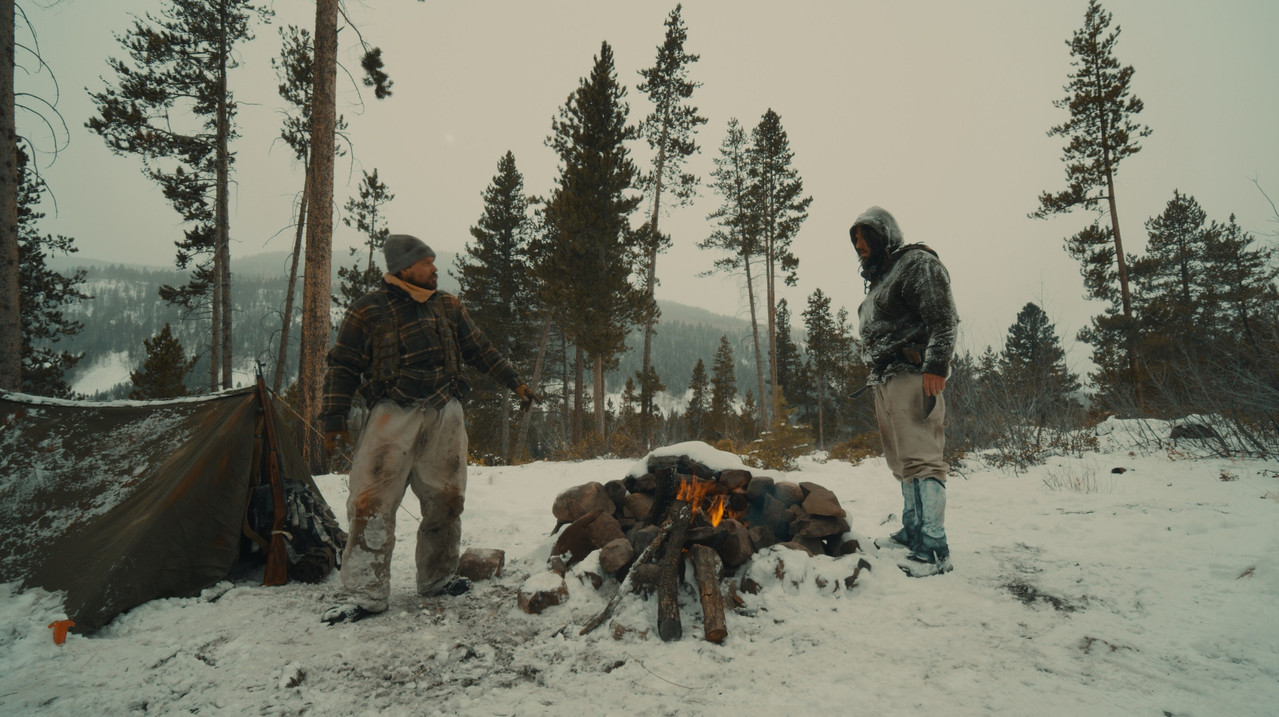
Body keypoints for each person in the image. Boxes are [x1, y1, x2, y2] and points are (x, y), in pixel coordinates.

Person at [319, 234, 539, 624]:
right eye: (427, 262)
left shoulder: (448, 306)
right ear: (404, 268)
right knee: (371, 502)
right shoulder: (367, 310)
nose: (435, 269)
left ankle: (437, 578)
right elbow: (343, 367)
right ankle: (364, 593)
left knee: (447, 499)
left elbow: (481, 348)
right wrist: (333, 420)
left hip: (445, 415)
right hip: (392, 416)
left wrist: (514, 381)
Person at [850, 207, 959, 577]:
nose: (860, 245)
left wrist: (936, 366)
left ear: (885, 235)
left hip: (914, 374)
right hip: (885, 379)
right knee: (901, 462)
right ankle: (913, 531)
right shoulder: (882, 279)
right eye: (856, 240)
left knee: (923, 459)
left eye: (867, 237)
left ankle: (934, 546)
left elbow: (943, 316)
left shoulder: (915, 263)